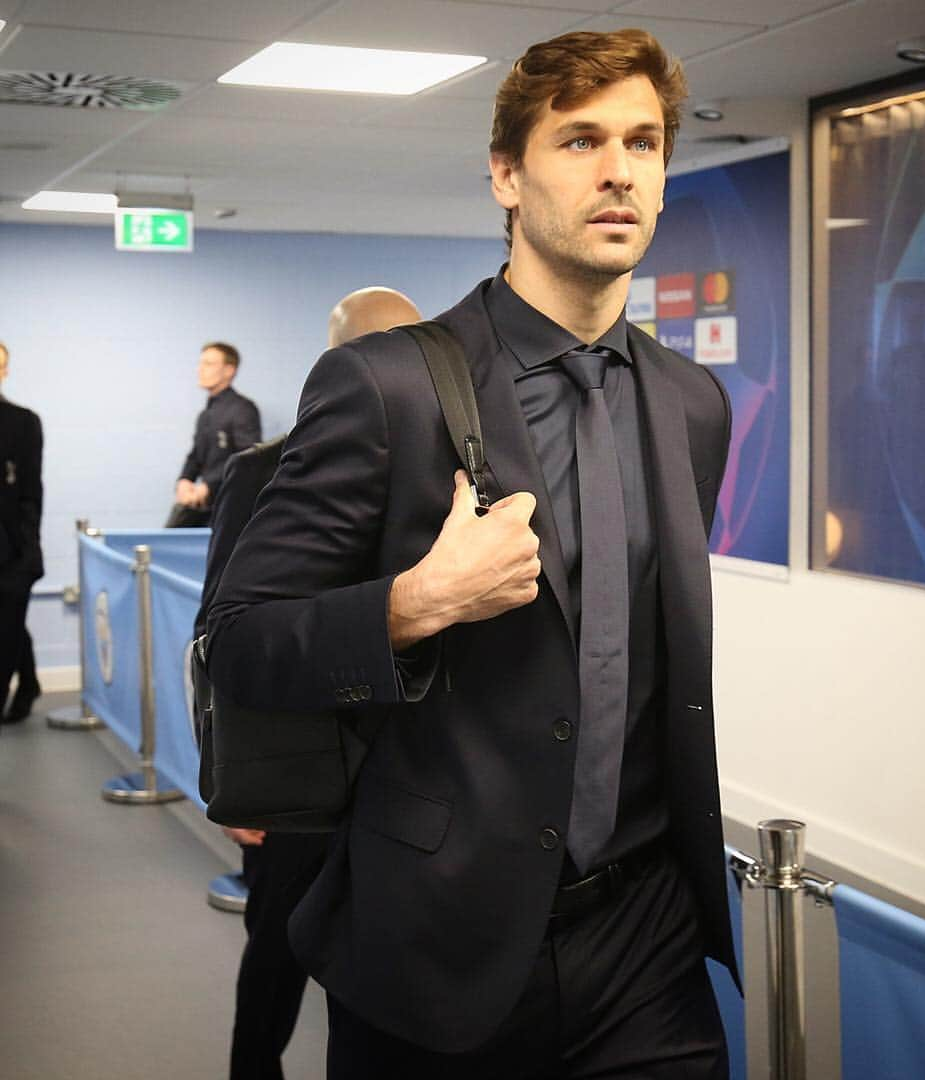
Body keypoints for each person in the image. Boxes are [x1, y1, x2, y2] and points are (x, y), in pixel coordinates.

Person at [207, 28, 736, 1078]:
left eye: (644, 142)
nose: (620, 168)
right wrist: (411, 604)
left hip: (644, 941)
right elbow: (240, 640)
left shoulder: (692, 405)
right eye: (580, 140)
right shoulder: (386, 388)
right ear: (506, 172)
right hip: (436, 942)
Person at [196, 288, 422, 1080]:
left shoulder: (455, 481)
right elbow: (220, 638)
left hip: (413, 781)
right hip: (295, 777)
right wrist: (233, 786)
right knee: (277, 953)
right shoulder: (260, 473)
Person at [167, 342, 261, 527]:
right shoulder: (205, 415)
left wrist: (208, 485)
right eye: (200, 363)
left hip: (229, 509)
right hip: (203, 508)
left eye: (208, 364)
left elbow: (248, 458)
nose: (200, 370)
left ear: (229, 370)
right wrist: (184, 480)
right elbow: (196, 456)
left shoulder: (242, 409)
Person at [0, 341, 44, 726]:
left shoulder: (22, 422)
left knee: (9, 623)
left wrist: (29, 552)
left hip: (12, 549)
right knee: (11, 623)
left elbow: (31, 493)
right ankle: (28, 684)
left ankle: (17, 690)